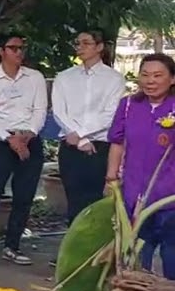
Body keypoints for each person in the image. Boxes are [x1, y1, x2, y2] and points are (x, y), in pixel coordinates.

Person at [0, 32, 47, 265]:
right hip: (1, 142)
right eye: (13, 48)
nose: (19, 52)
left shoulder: (34, 78)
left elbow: (40, 110)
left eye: (22, 48)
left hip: (29, 139)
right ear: (1, 51)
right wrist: (9, 138)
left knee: (24, 196)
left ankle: (12, 246)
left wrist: (27, 135)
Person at [107, 53, 175, 277]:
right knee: (136, 262)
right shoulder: (128, 106)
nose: (150, 81)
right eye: (145, 75)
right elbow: (117, 143)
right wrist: (112, 179)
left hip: (170, 198)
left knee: (171, 259)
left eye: (157, 75)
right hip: (134, 197)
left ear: (172, 79)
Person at [51, 29, 126, 224]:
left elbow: (110, 114)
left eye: (86, 43)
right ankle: (71, 252)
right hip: (70, 144)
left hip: (99, 145)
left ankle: (94, 252)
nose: (80, 47)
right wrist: (78, 138)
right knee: (73, 199)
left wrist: (82, 134)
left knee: (94, 200)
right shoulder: (64, 77)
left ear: (99, 47)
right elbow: (59, 111)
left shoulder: (114, 79)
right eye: (78, 43)